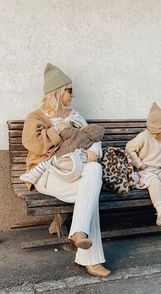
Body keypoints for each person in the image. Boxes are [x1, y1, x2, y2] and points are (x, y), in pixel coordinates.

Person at [22, 63, 110, 277]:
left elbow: (92, 137)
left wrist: (94, 152)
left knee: (94, 171)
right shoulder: (36, 118)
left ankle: (78, 232)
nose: (72, 94)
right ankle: (90, 259)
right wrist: (57, 130)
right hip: (47, 173)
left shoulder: (76, 116)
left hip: (76, 170)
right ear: (57, 92)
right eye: (69, 90)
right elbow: (33, 145)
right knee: (90, 195)